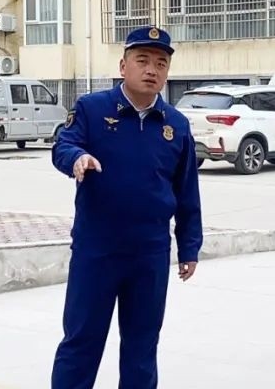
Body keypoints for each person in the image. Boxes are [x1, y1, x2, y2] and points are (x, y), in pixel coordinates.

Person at [50, 25, 203, 389]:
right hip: (97, 250)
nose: (152, 70)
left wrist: (189, 247)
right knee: (81, 341)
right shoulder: (92, 108)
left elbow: (186, 192)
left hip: (149, 253)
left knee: (142, 345)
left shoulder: (176, 125)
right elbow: (63, 145)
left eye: (161, 64)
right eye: (142, 60)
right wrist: (77, 158)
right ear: (123, 66)